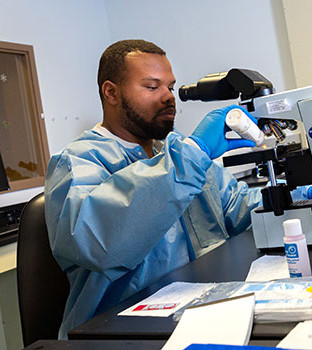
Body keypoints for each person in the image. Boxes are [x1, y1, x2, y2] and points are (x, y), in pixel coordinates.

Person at [44, 39, 262, 339]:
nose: (168, 97)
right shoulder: (78, 161)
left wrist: (299, 193)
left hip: (207, 310)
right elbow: (98, 243)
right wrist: (192, 154)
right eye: (152, 87)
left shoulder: (176, 152)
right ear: (111, 92)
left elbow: (239, 207)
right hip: (124, 332)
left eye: (170, 87)